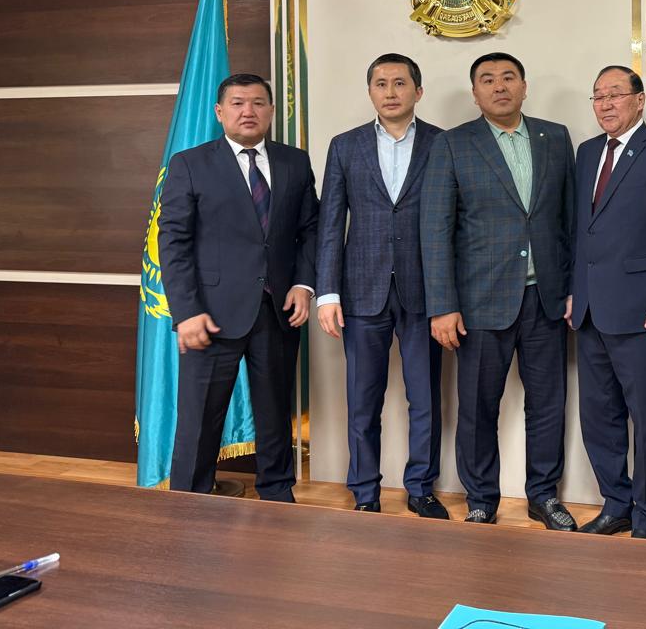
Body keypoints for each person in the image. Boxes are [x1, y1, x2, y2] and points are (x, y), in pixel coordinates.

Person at [420, 52, 577, 530]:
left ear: (524, 86)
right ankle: (481, 499)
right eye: (487, 80)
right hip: (479, 301)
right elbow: (435, 230)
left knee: (547, 405)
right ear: (475, 94)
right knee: (477, 407)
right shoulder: (452, 144)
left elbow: (571, 221)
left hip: (545, 299)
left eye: (509, 77)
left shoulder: (555, 137)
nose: (499, 86)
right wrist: (442, 306)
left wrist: (574, 288)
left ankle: (543, 496)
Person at [160, 72, 318, 501]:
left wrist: (304, 284)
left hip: (277, 310)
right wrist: (186, 312)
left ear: (271, 110)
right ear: (219, 112)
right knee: (199, 418)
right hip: (210, 314)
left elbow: (311, 229)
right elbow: (172, 242)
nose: (248, 111)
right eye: (237, 103)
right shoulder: (190, 164)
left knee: (275, 414)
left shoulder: (294, 162)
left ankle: (278, 496)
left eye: (258, 103)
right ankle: (189, 502)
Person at [315, 54, 446, 517]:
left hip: (425, 290)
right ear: (370, 91)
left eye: (400, 83)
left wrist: (449, 296)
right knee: (362, 400)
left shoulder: (443, 143)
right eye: (381, 83)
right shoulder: (344, 146)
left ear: (418, 91)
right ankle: (365, 491)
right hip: (360, 290)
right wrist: (327, 292)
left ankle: (421, 488)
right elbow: (331, 223)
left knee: (424, 398)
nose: (390, 92)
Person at [569, 65, 646, 540]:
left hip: (644, 312)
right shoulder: (586, 153)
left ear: (640, 101)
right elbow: (581, 231)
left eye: (615, 94)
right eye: (598, 96)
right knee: (599, 417)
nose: (606, 104)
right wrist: (574, 291)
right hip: (590, 311)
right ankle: (615, 504)